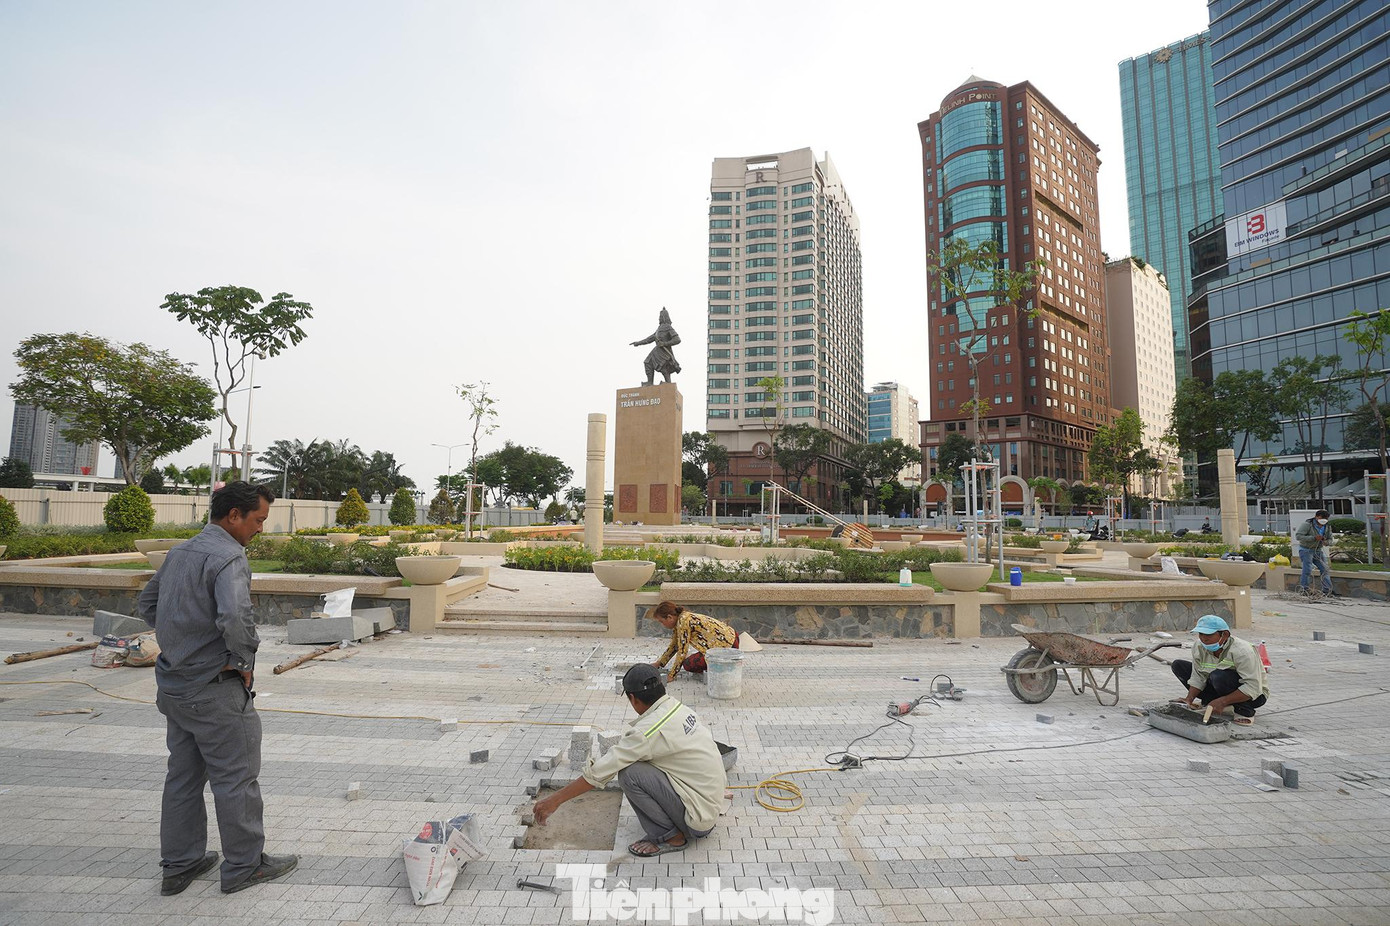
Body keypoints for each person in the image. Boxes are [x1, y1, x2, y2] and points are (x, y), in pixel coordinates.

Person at [137, 481, 298, 895]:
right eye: (258, 519)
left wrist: (181, 641)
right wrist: (243, 663)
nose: (261, 527)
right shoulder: (230, 556)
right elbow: (235, 619)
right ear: (234, 516)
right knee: (236, 778)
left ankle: (180, 864)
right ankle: (244, 866)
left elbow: (148, 605)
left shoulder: (181, 551)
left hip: (175, 686)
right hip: (215, 689)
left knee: (183, 778)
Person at [532, 665, 726, 857]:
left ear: (633, 699)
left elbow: (600, 772)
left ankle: (671, 837)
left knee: (629, 773)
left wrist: (554, 801)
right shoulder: (677, 707)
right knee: (643, 761)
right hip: (711, 804)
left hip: (698, 820)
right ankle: (677, 820)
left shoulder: (646, 732)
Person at [1171, 615, 1269, 726]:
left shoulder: (1243, 651)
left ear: (1224, 635)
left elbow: (1253, 687)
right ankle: (1211, 703)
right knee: (1178, 665)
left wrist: (1222, 701)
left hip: (1255, 696)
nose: (1204, 638)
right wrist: (1189, 699)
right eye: (1201, 634)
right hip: (1218, 686)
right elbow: (1198, 675)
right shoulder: (1199, 646)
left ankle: (1244, 710)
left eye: (1208, 635)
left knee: (1218, 676)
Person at [647, 600, 739, 681]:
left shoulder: (683, 622)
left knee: (688, 664)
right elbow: (674, 646)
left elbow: (682, 651)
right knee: (689, 659)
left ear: (669, 617)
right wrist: (659, 663)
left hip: (727, 648)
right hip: (733, 637)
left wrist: (672, 675)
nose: (662, 625)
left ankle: (720, 667)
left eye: (661, 621)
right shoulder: (682, 618)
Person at [631, 307, 682, 386]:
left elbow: (677, 339)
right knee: (648, 362)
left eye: (661, 317)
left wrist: (664, 344)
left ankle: (668, 384)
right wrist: (638, 343)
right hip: (657, 351)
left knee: (663, 368)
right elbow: (650, 339)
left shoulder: (668, 327)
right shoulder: (659, 329)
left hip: (664, 352)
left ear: (664, 318)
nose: (659, 319)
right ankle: (650, 382)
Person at [1295, 509, 1336, 596]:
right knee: (1307, 570)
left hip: (1318, 550)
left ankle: (1327, 590)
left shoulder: (1327, 526)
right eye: (1322, 518)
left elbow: (1330, 539)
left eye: (1326, 518)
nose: (1323, 520)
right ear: (1316, 517)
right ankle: (1304, 589)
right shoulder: (1307, 525)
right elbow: (1298, 536)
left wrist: (1326, 542)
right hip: (1306, 550)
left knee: (1325, 569)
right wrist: (1313, 538)